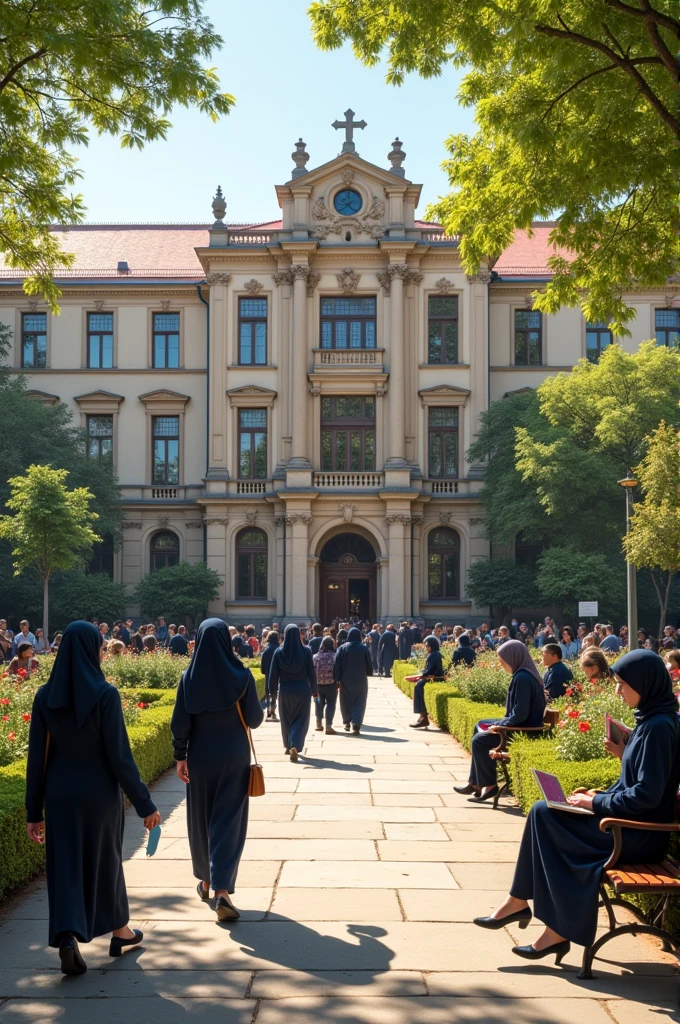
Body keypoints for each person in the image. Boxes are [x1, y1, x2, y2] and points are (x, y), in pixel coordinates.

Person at [473, 649, 680, 961]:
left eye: (623, 684)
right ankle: (529, 910)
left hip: (636, 837)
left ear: (645, 683)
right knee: (544, 812)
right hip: (625, 826)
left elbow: (645, 797)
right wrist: (594, 796)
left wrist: (595, 801)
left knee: (545, 816)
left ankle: (544, 922)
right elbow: (639, 784)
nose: (617, 690)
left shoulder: (659, 727)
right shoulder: (652, 720)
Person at [25, 621, 159, 975]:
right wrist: (145, 804)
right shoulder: (105, 694)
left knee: (64, 866)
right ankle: (120, 932)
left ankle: (68, 936)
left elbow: (36, 760)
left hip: (59, 795)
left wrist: (32, 812)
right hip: (99, 795)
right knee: (107, 863)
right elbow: (120, 758)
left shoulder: (44, 697)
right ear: (89, 651)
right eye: (99, 648)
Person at [171, 619, 263, 921]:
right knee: (228, 819)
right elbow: (255, 718)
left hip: (200, 755)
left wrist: (180, 756)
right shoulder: (242, 675)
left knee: (201, 817)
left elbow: (180, 723)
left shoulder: (189, 677)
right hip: (233, 755)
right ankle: (222, 888)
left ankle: (207, 881)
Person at [454, 640, 546, 802]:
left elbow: (520, 715)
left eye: (503, 661)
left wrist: (500, 725)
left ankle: (489, 785)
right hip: (521, 725)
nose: (501, 664)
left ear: (514, 657)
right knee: (480, 725)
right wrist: (496, 724)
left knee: (479, 741)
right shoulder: (523, 673)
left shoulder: (523, 678)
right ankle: (475, 783)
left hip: (522, 730)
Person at [267, 624, 317, 762]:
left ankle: (288, 745)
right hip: (302, 688)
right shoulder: (306, 651)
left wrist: (272, 691)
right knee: (301, 718)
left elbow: (273, 675)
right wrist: (315, 690)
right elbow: (312, 673)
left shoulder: (278, 652)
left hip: (285, 689)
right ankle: (295, 743)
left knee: (286, 718)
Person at [334, 626, 373, 735]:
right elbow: (369, 663)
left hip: (345, 679)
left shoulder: (342, 648)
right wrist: (369, 672)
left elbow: (337, 664)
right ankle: (356, 723)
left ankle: (347, 721)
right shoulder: (364, 648)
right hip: (360, 678)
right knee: (359, 701)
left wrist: (337, 679)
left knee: (345, 700)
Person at [411, 635, 445, 729]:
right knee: (418, 685)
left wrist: (422, 675)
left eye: (427, 646)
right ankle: (422, 716)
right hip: (435, 676)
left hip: (435, 677)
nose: (426, 648)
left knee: (419, 685)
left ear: (431, 646)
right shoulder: (435, 653)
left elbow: (429, 670)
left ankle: (423, 716)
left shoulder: (433, 655)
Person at [314, 636, 338, 734]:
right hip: (331, 683)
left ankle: (318, 723)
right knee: (331, 704)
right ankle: (328, 725)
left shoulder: (315, 657)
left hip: (318, 684)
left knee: (319, 703)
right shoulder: (335, 656)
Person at [260, 630, 280, 721]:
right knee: (274, 694)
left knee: (268, 693)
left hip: (268, 673)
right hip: (277, 674)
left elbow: (262, 664)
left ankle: (268, 711)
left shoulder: (266, 649)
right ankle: (273, 711)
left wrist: (264, 671)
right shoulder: (279, 649)